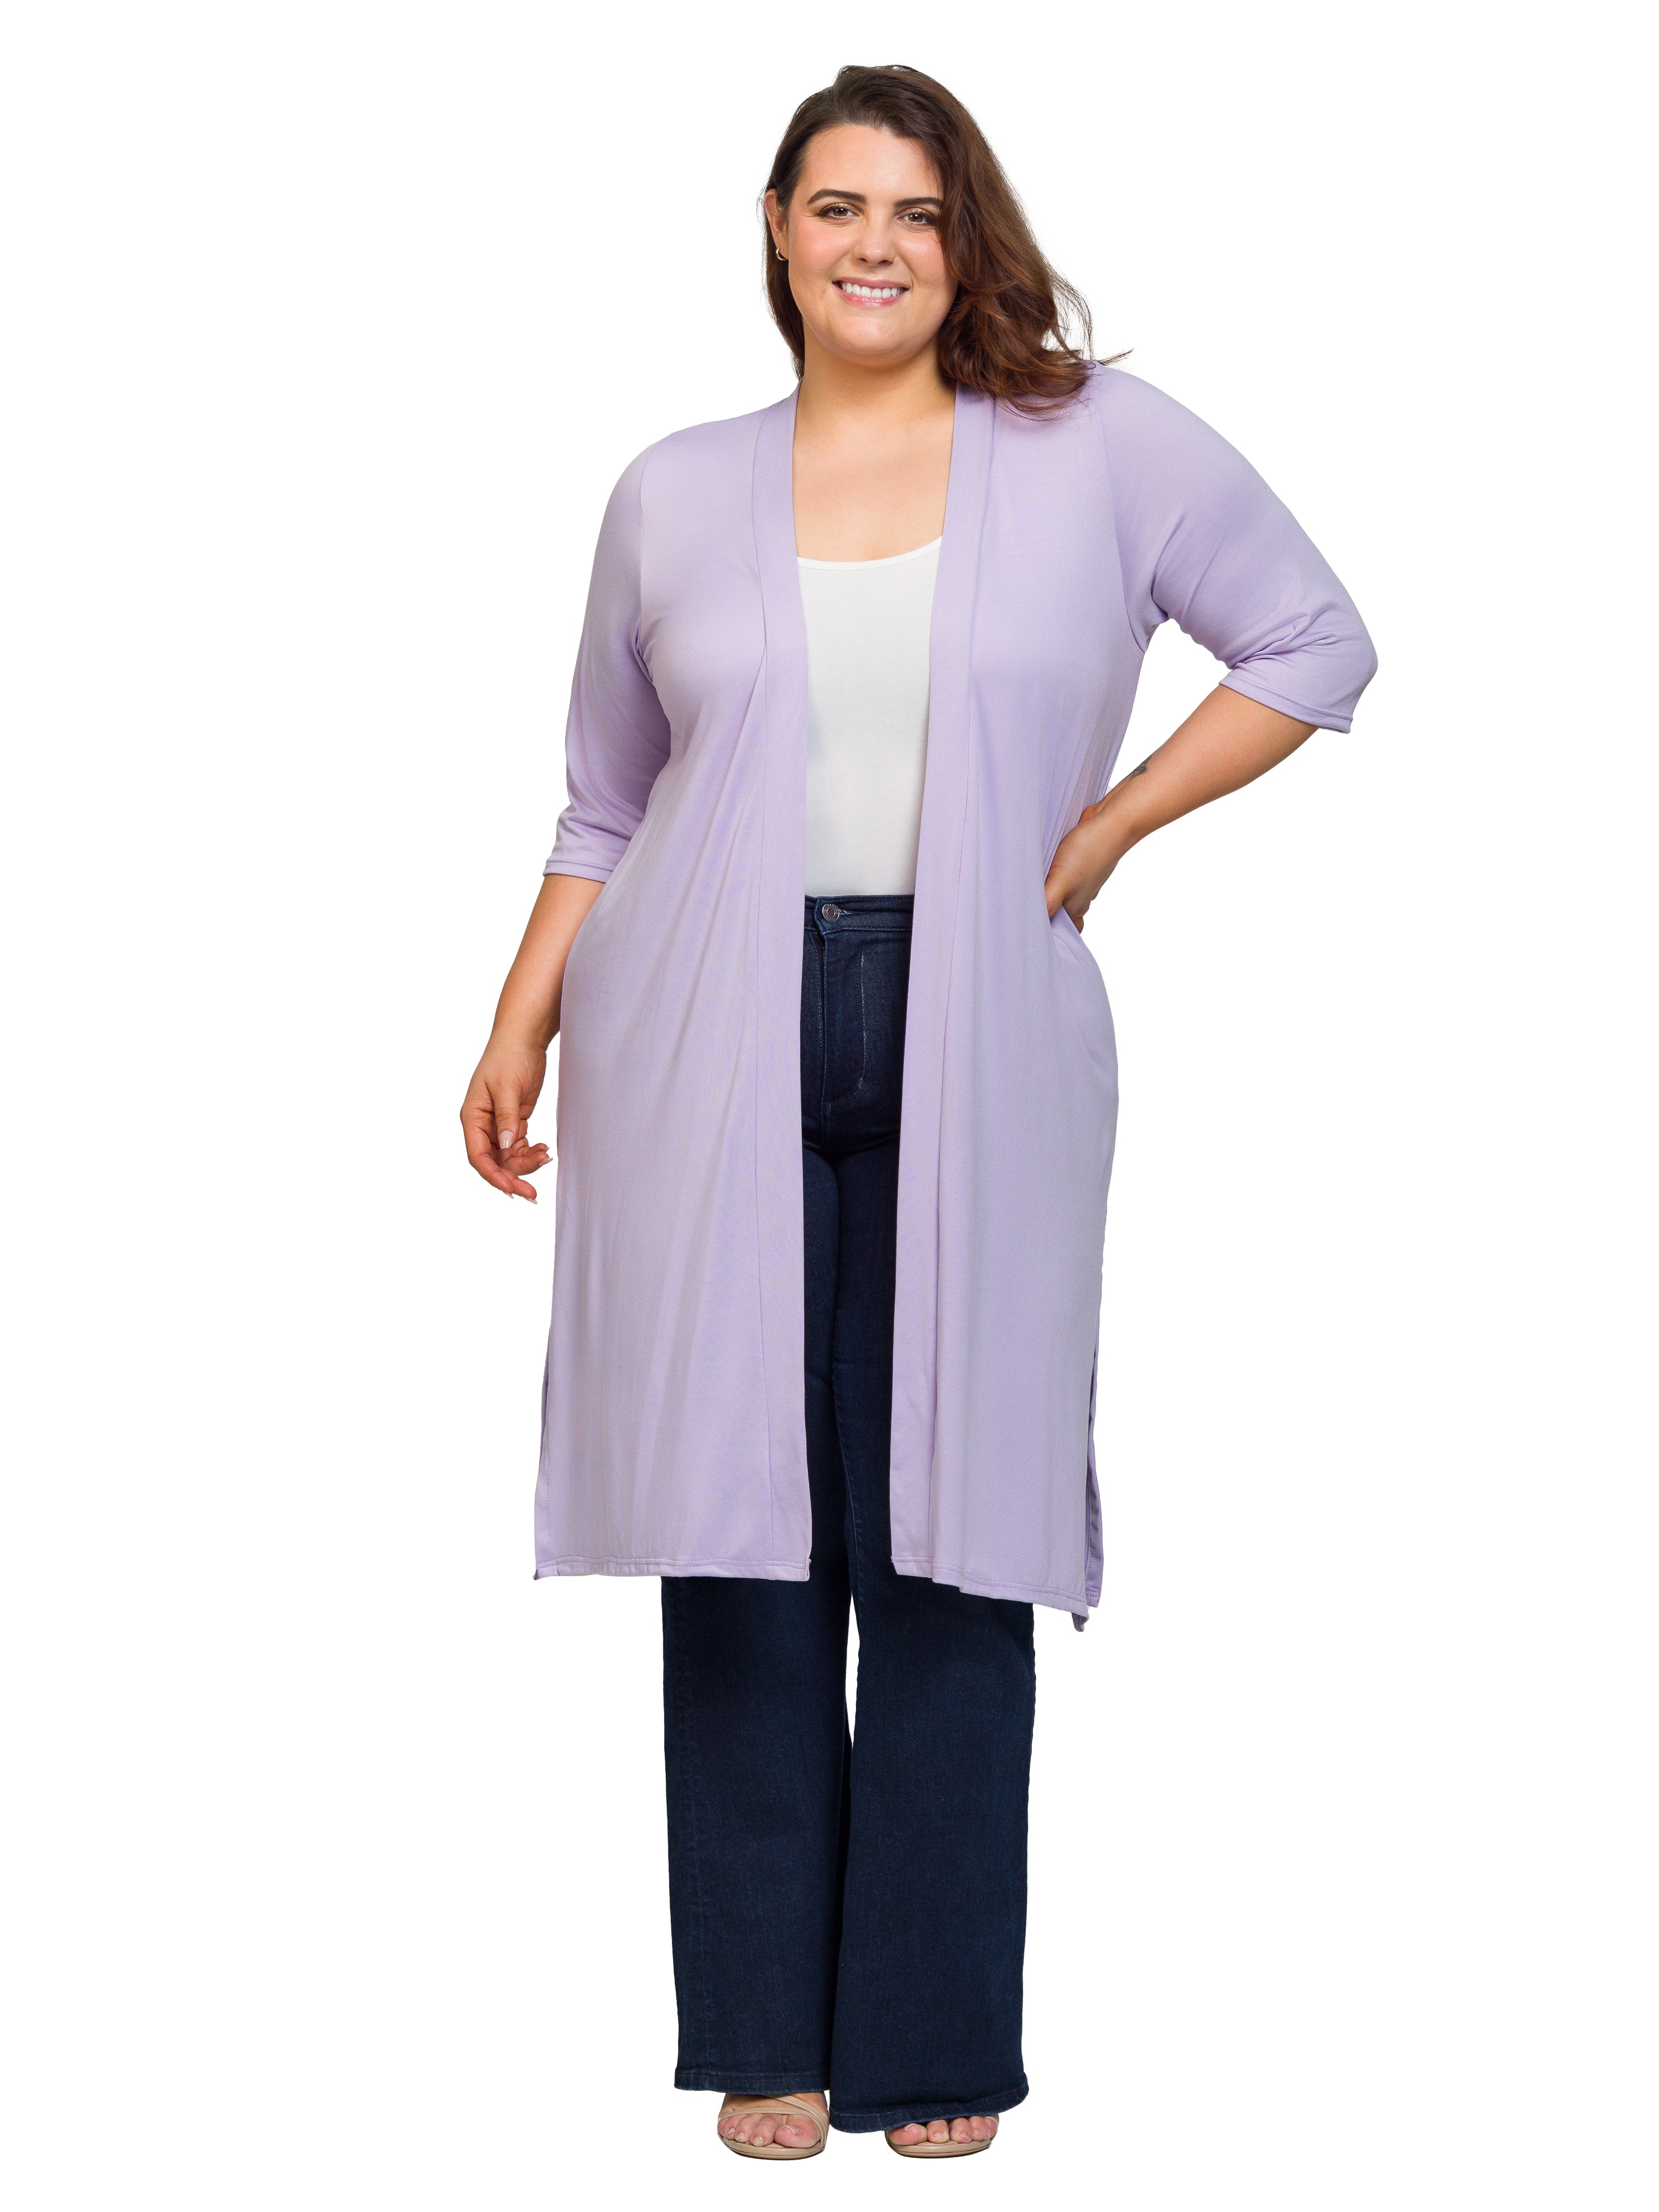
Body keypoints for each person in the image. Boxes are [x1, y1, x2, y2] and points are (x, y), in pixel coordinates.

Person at [461, 63, 1375, 2162]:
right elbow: (606, 799)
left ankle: (937, 2042)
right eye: (838, 206)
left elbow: (1315, 641)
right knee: (740, 1535)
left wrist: (1108, 825)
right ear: (778, 230)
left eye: (919, 212)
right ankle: (762, 2034)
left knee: (950, 1531)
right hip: (695, 1030)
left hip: (984, 1023)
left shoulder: (1096, 445)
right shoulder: (673, 489)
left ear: (966, 243)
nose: (875, 245)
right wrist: (518, 1025)